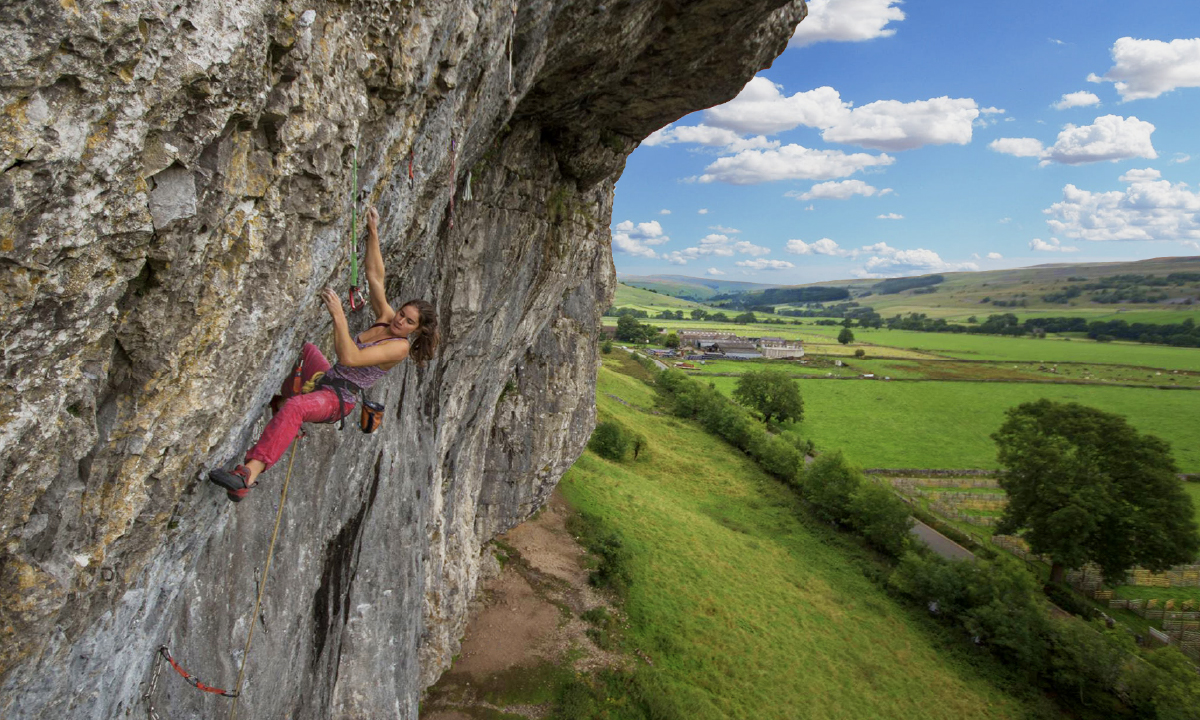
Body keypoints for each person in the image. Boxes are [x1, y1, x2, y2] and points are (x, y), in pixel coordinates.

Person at [209, 208, 438, 501]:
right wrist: (373, 231)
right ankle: (284, 415)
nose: (400, 321)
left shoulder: (400, 347)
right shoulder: (386, 318)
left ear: (416, 330)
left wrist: (339, 317)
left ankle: (246, 476)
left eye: (408, 322)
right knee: (303, 350)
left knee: (297, 408)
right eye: (403, 313)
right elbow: (375, 276)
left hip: (338, 399)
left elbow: (350, 359)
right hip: (326, 379)